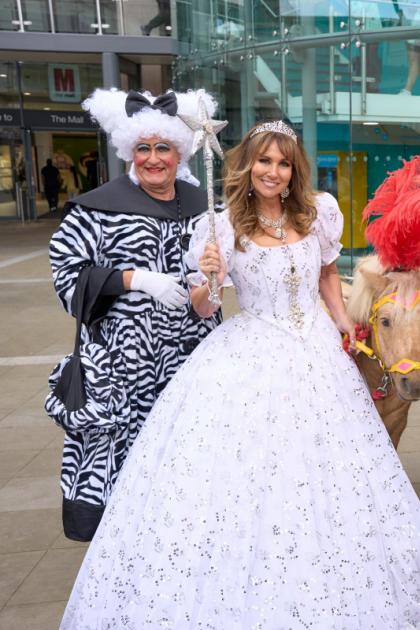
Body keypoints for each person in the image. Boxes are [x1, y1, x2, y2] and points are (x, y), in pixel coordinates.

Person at [60, 120, 420, 628]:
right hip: (250, 356)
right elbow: (202, 307)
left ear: (293, 171)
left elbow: (328, 275)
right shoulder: (220, 228)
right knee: (253, 475)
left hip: (320, 357)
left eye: (283, 163)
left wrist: (345, 322)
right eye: (264, 160)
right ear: (248, 164)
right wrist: (210, 277)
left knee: (331, 474)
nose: (273, 171)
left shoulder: (317, 213)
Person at [47, 88, 220, 542]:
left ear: (178, 150)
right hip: (123, 368)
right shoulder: (95, 209)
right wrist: (134, 279)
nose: (153, 158)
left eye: (162, 147)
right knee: (125, 466)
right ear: (129, 152)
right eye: (143, 148)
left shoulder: (202, 205)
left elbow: (218, 274)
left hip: (190, 361)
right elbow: (68, 276)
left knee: (187, 459)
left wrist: (210, 282)